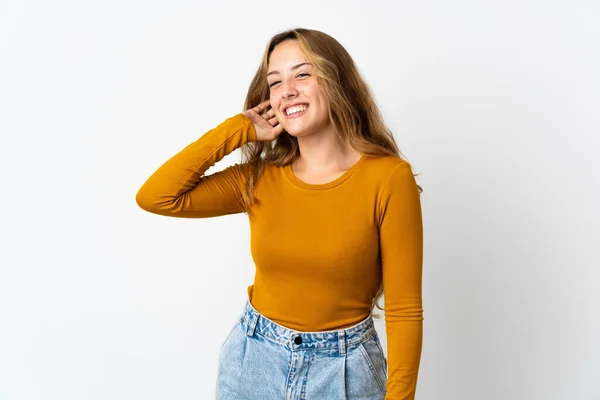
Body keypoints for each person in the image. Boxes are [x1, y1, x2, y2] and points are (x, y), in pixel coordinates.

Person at [136, 27, 424, 400]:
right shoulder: (260, 179)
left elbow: (404, 311)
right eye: (275, 82)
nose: (286, 90)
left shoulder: (387, 178)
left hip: (344, 374)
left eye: (302, 74)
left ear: (336, 80)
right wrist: (239, 129)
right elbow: (157, 196)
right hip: (253, 363)